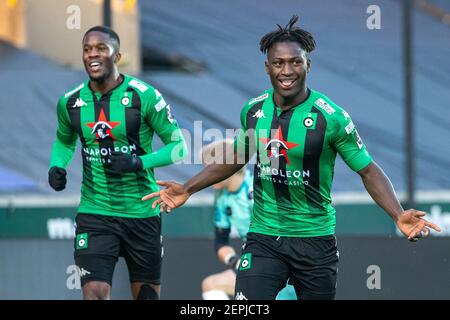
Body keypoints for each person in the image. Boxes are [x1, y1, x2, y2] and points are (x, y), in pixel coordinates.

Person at [142, 16, 441, 300]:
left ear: (308, 65)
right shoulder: (254, 111)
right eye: (279, 63)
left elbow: (368, 170)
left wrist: (397, 213)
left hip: (315, 240)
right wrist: (188, 188)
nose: (287, 71)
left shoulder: (331, 117)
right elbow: (238, 155)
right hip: (264, 236)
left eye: (295, 62)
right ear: (267, 68)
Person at [48, 26, 187, 300]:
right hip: (95, 212)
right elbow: (64, 141)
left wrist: (138, 162)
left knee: (146, 296)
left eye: (101, 48)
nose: (93, 55)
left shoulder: (143, 96)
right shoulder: (70, 101)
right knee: (94, 293)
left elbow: (179, 148)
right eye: (87, 49)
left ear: (117, 55)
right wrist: (57, 166)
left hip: (142, 213)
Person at [200, 140, 296, 300]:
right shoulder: (221, 197)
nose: (204, 174)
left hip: (280, 266)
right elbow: (221, 242)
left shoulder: (257, 191)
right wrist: (235, 262)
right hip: (255, 262)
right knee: (211, 284)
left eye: (209, 168)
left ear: (226, 167)